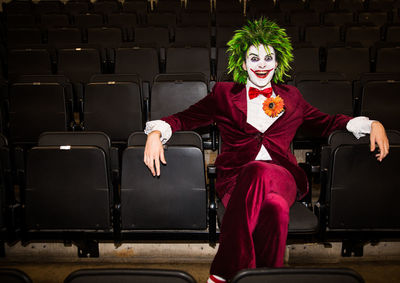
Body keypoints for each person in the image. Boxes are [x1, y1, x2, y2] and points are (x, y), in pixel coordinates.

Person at [143, 18, 389, 283]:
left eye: (268, 58)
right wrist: (157, 132)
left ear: (277, 62)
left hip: (282, 177)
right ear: (243, 62)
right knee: (275, 210)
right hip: (236, 182)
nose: (261, 64)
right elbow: (185, 118)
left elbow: (327, 122)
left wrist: (371, 123)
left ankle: (223, 273)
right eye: (254, 58)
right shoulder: (224, 94)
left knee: (260, 170)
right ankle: (265, 278)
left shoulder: (292, 96)